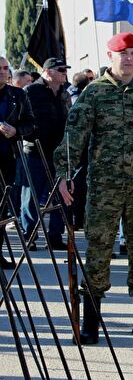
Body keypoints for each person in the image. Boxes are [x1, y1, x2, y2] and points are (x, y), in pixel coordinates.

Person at [55, 33, 133, 345]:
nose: (129, 59)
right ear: (109, 55)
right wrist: (64, 173)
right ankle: (91, 319)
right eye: (122, 53)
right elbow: (75, 136)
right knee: (98, 253)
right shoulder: (95, 93)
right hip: (104, 188)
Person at [20, 57, 71, 251]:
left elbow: (69, 118)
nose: (64, 73)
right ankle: (29, 235)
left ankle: (55, 236)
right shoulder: (31, 91)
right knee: (31, 195)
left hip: (58, 153)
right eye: (60, 69)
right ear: (48, 72)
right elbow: (24, 119)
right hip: (35, 152)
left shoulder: (64, 94)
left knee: (61, 195)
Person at [0, 55, 34, 268]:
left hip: (7, 159)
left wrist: (17, 131)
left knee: (2, 209)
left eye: (6, 68)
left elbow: (31, 123)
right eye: (0, 68)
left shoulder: (17, 95)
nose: (3, 71)